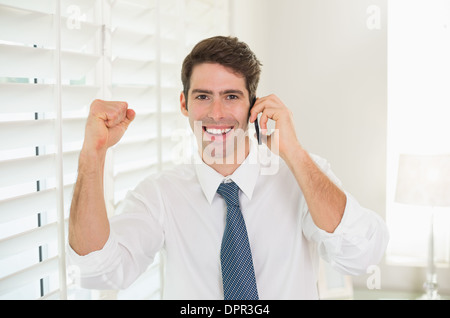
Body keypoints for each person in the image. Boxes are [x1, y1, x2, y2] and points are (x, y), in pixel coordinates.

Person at [68, 36, 389, 299]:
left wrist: (293, 151)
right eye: (203, 96)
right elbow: (97, 270)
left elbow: (362, 255)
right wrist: (92, 155)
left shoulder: (300, 175)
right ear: (184, 104)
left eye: (232, 96)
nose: (217, 113)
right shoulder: (160, 195)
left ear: (253, 104)